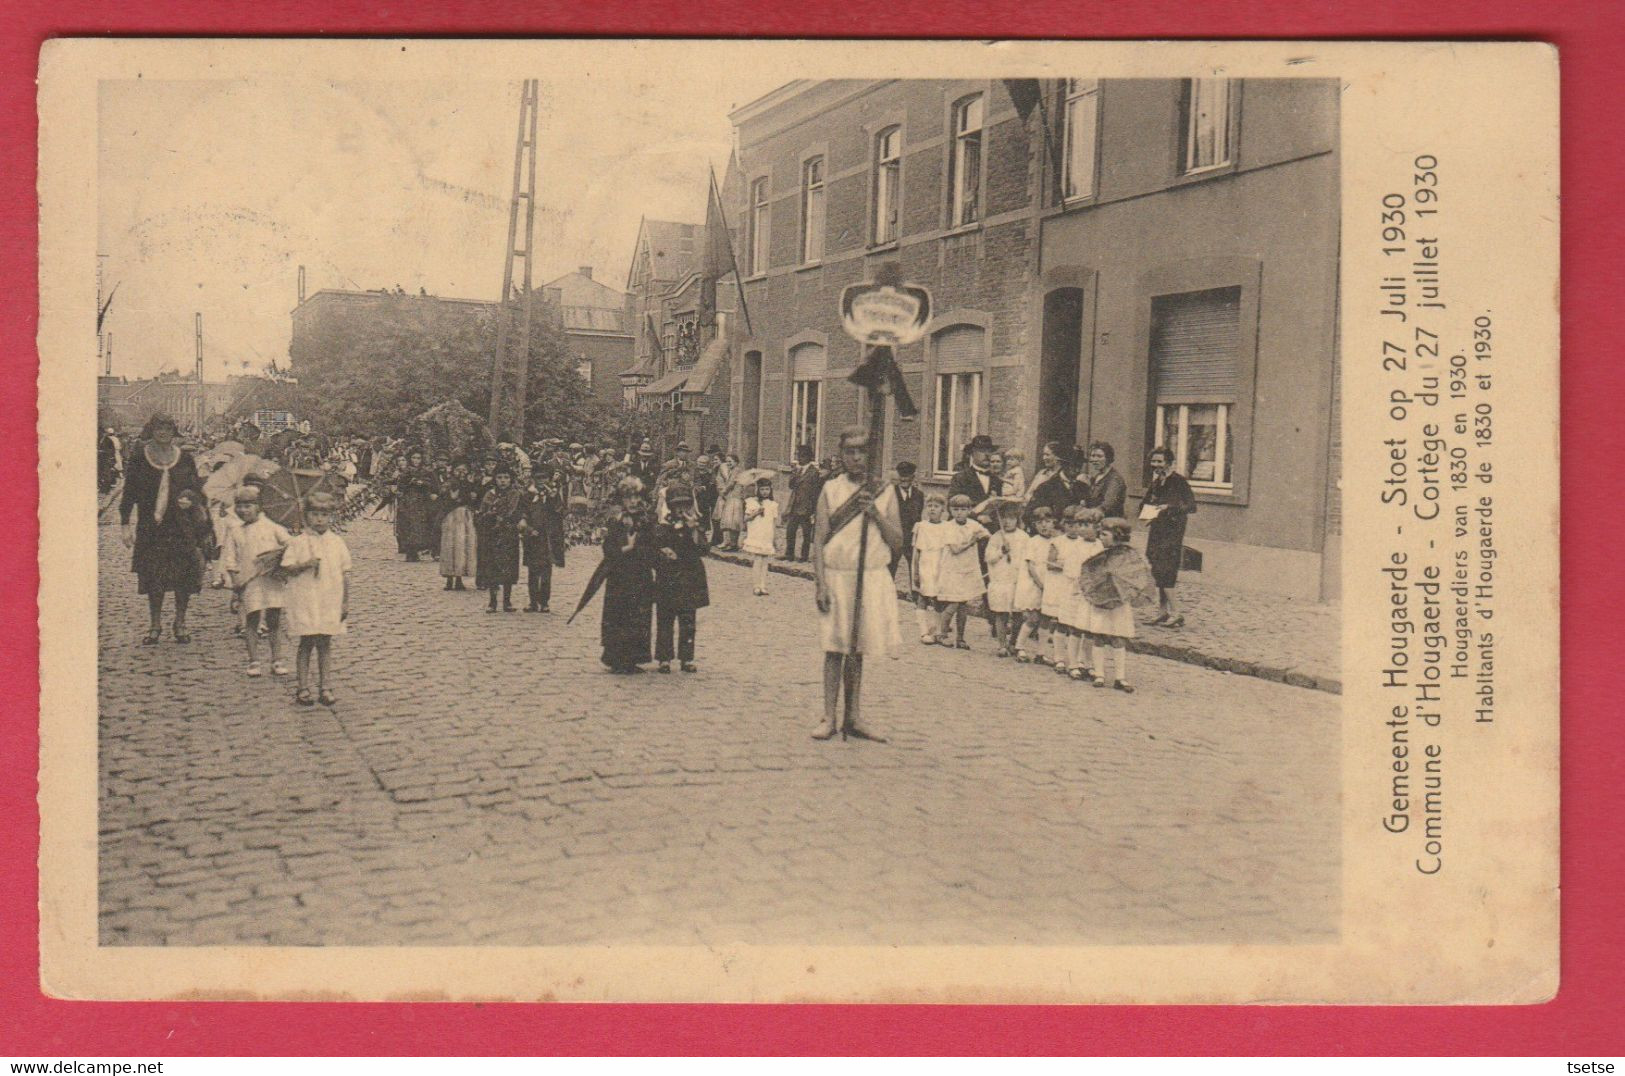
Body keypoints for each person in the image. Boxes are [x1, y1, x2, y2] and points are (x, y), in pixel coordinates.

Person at [811, 426, 903, 742]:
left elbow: (897, 541)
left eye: (861, 451)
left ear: (870, 454)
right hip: (837, 577)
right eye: (849, 451)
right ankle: (828, 716)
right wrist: (820, 584)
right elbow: (819, 540)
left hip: (870, 578)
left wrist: (874, 513)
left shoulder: (884, 491)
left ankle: (854, 715)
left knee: (858, 648)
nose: (855, 457)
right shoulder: (830, 489)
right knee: (834, 647)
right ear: (841, 454)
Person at [119, 414, 206, 644]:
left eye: (167, 428)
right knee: (154, 576)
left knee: (183, 577)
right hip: (152, 527)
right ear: (151, 431)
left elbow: (196, 488)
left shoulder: (185, 458)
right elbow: (129, 492)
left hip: (181, 526)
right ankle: (155, 623)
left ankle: (180, 622)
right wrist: (125, 523)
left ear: (173, 431)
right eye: (158, 428)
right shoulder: (140, 459)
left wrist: (189, 497)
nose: (163, 433)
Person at [280, 491, 351, 707]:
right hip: (306, 599)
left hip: (329, 598)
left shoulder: (337, 542)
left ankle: (325, 686)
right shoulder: (298, 542)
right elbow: (287, 568)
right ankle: (302, 687)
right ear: (306, 516)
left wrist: (345, 601)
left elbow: (345, 573)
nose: (319, 519)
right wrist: (305, 564)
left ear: (331, 517)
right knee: (306, 642)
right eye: (314, 514)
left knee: (325, 643)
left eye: (324, 514)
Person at [224, 486, 290, 678]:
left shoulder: (273, 527)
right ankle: (253, 661)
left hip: (271, 580)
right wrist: (236, 584)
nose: (243, 510)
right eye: (240, 506)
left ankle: (277, 659)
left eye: (248, 505)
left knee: (274, 620)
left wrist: (280, 557)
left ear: (259, 507)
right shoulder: (235, 531)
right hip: (249, 582)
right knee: (251, 621)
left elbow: (290, 545)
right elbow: (230, 559)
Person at [599, 477, 656, 674]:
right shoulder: (616, 521)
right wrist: (627, 547)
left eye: (636, 497)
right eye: (629, 498)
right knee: (619, 614)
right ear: (622, 500)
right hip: (620, 575)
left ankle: (633, 658)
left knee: (638, 614)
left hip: (640, 573)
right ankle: (616, 658)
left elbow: (652, 544)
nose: (633, 501)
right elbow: (608, 549)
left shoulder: (646, 519)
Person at [651, 484, 710, 674]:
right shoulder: (663, 526)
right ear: (670, 505)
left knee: (688, 620)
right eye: (677, 506)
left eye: (685, 505)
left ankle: (686, 658)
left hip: (689, 579)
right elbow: (654, 551)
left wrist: (694, 530)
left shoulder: (695, 525)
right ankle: (664, 658)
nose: (682, 510)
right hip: (667, 579)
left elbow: (704, 550)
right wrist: (663, 552)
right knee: (665, 619)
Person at [1081, 518, 1143, 692]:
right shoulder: (1098, 554)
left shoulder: (1127, 555)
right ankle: (1099, 673)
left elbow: (1135, 575)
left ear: (1117, 536)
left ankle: (1120, 677)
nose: (1101, 537)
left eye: (1104, 534)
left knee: (1118, 638)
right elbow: (1089, 574)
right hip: (1102, 599)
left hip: (1119, 601)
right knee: (1099, 636)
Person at [1141, 446, 1198, 628]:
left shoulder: (1178, 482)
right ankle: (1163, 612)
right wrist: (1147, 509)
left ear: (1169, 463)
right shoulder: (1157, 482)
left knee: (1166, 569)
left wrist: (1168, 507)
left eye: (1160, 461)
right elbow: (1145, 502)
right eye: (1154, 461)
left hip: (1172, 532)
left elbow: (1191, 505)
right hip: (1157, 531)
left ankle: (1177, 612)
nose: (1156, 465)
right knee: (1157, 568)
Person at [934, 493, 990, 650]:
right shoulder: (948, 527)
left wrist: (986, 527)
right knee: (953, 603)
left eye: (963, 509)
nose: (959, 513)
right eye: (956, 509)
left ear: (969, 510)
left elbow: (987, 535)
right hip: (953, 570)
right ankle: (941, 634)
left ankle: (960, 638)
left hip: (968, 569)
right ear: (950, 510)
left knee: (963, 606)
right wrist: (972, 541)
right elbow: (956, 549)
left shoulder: (973, 525)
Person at [1062, 508, 1106, 682]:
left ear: (1097, 527)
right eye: (1079, 524)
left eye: (1086, 525)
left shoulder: (1099, 546)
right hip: (1077, 591)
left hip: (1092, 592)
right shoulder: (1076, 546)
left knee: (1089, 629)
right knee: (1075, 628)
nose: (1081, 529)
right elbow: (1071, 569)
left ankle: (1086, 663)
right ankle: (1072, 663)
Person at [475, 465, 525, 612]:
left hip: (508, 534)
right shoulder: (489, 495)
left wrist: (506, 519)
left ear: (511, 479)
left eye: (506, 478)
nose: (503, 481)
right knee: (492, 567)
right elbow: (482, 513)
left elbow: (516, 512)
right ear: (495, 479)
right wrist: (488, 516)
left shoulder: (515, 494)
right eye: (499, 478)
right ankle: (492, 601)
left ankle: (507, 601)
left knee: (508, 567)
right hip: (492, 535)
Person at [984, 500, 1029, 657]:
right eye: (1003, 518)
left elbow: (1027, 558)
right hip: (1000, 580)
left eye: (1011, 518)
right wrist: (1001, 552)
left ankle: (1013, 643)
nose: (1007, 521)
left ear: (1017, 519)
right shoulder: (996, 538)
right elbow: (988, 558)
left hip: (1017, 580)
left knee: (1018, 614)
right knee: (1001, 612)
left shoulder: (1023, 537)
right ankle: (1002, 644)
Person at [519, 464, 567, 612]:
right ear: (533, 479)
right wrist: (528, 529)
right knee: (533, 570)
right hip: (533, 536)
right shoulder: (528, 495)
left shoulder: (553, 494)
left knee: (547, 570)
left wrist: (552, 498)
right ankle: (533, 601)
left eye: (544, 478)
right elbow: (523, 513)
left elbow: (560, 512)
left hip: (548, 537)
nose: (541, 481)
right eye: (538, 478)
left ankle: (544, 601)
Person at [1012, 505, 1052, 663]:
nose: (1044, 525)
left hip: (1049, 585)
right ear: (1035, 525)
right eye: (1040, 522)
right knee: (1033, 618)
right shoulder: (1033, 542)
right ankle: (1019, 647)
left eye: (1047, 521)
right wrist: (1040, 583)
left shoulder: (1055, 542)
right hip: (1033, 585)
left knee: (1045, 619)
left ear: (1053, 522)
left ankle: (1041, 653)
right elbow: (1031, 566)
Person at [910, 492, 947, 644]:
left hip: (940, 565)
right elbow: (917, 552)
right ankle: (924, 632)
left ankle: (937, 631)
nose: (932, 509)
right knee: (923, 597)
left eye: (936, 506)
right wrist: (916, 572)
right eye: (930, 506)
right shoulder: (922, 526)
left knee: (939, 599)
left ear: (943, 510)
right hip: (926, 564)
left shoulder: (947, 527)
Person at [438, 461, 479, 591]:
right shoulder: (449, 483)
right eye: (458, 470)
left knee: (462, 546)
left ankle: (459, 577)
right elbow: (446, 497)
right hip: (451, 516)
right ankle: (449, 578)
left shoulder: (469, 484)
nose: (461, 473)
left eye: (464, 470)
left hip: (465, 516)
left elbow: (473, 498)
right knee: (450, 546)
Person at [392, 448, 437, 561]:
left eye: (418, 458)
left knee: (421, 526)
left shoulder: (427, 471)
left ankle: (418, 549)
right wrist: (409, 484)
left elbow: (433, 485)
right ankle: (410, 551)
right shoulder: (406, 472)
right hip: (409, 502)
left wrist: (424, 483)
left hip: (422, 501)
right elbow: (400, 487)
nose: (416, 460)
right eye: (414, 458)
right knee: (409, 525)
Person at [741, 476, 779, 596]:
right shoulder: (752, 502)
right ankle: (756, 586)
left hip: (767, 534)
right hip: (757, 533)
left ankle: (763, 585)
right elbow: (746, 518)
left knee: (765, 560)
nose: (765, 492)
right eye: (762, 489)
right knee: (758, 559)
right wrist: (757, 512)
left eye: (767, 489)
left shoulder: (773, 504)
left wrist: (774, 537)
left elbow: (773, 522)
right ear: (758, 490)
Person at [889, 461, 925, 587]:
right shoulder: (890, 494)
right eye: (901, 476)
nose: (904, 479)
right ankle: (886, 591)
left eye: (907, 476)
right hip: (894, 537)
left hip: (911, 537)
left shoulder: (919, 495)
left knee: (914, 565)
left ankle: (915, 593)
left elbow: (918, 516)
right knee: (891, 565)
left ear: (912, 477)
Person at [784, 444, 822, 561]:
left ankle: (804, 556)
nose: (799, 459)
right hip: (794, 505)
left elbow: (815, 492)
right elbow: (791, 485)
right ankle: (789, 554)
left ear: (808, 458)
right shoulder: (797, 470)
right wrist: (794, 473)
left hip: (806, 507)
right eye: (798, 456)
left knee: (806, 533)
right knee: (790, 531)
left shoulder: (814, 472)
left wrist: (814, 510)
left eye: (801, 456)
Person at [1024, 441, 1073, 526]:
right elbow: (1029, 494)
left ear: (1058, 457)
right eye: (1043, 455)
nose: (1044, 458)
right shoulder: (1041, 473)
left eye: (1047, 455)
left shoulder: (1063, 477)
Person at [1078, 440, 1127, 519]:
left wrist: (1089, 512)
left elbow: (1108, 504)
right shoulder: (1096, 477)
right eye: (1093, 456)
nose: (1095, 459)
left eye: (1099, 456)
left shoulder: (1115, 479)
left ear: (1108, 458)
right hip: (1094, 519)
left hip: (1110, 521)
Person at [717, 457, 746, 551]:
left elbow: (731, 483)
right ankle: (730, 543)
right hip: (732, 497)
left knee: (734, 520)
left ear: (736, 462)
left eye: (730, 461)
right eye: (727, 461)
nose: (728, 463)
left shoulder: (736, 470)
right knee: (730, 520)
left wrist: (723, 492)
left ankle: (733, 544)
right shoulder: (732, 470)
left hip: (735, 497)